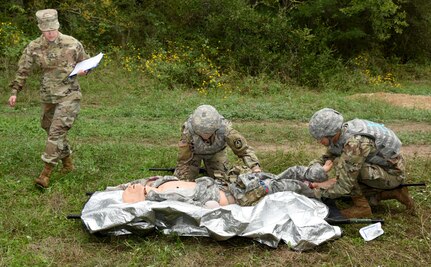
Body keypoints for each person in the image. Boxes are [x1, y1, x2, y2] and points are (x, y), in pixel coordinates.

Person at [8, 9, 90, 188]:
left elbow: (86, 62)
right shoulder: (34, 46)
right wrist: (15, 91)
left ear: (57, 26)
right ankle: (68, 164)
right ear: (40, 29)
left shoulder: (72, 43)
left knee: (56, 133)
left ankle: (45, 174)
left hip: (70, 94)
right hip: (48, 96)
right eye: (46, 30)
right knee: (49, 128)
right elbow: (24, 69)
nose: (50, 33)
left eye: (52, 29)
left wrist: (85, 69)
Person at [307, 108, 415, 218]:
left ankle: (362, 207)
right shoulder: (342, 132)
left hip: (393, 174)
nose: (318, 142)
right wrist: (309, 172)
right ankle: (391, 193)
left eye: (320, 138)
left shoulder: (355, 144)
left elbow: (344, 186)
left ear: (331, 133)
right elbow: (327, 157)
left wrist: (314, 192)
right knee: (344, 167)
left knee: (344, 167)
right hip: (381, 167)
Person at [121, 161, 333, 207]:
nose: (133, 185)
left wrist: (127, 187)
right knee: (285, 184)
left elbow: (135, 185)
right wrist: (144, 194)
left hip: (231, 184)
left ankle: (316, 176)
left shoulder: (158, 184)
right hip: (238, 195)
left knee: (289, 172)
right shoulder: (159, 198)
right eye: (135, 188)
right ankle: (316, 190)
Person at [173, 105, 262, 182]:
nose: (205, 135)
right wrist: (182, 174)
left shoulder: (226, 130)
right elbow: (184, 159)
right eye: (201, 132)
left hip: (216, 153)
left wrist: (255, 167)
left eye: (208, 132)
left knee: (222, 181)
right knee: (182, 182)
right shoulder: (188, 132)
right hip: (194, 154)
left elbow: (243, 150)